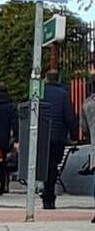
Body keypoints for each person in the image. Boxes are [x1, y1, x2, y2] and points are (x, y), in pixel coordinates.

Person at [36, 69, 77, 210]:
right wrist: (74, 135)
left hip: (41, 135)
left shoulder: (39, 92)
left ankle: (45, 191)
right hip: (58, 136)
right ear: (58, 78)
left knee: (43, 165)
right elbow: (69, 116)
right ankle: (49, 195)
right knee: (53, 165)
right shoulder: (64, 94)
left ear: (46, 78)